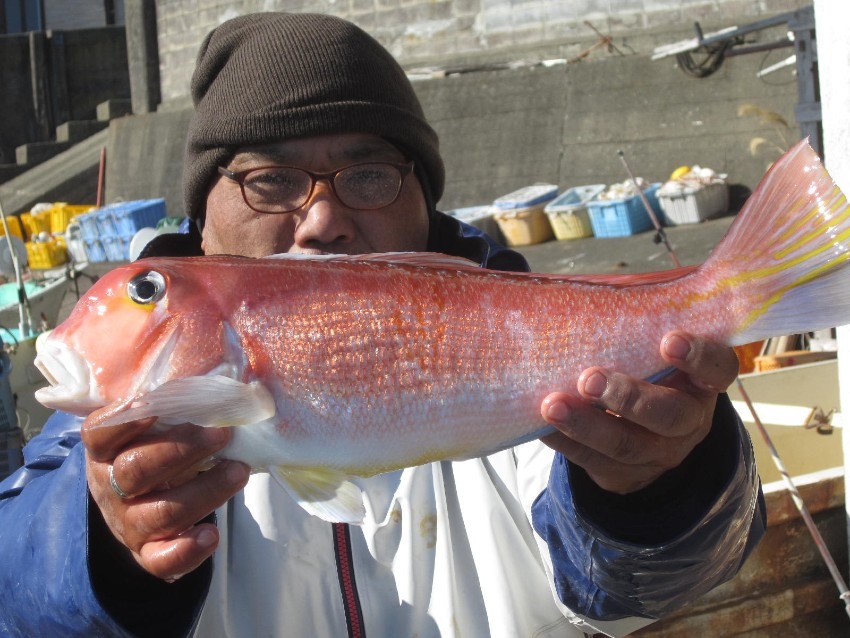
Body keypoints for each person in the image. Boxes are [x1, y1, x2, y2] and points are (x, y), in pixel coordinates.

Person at [0, 12, 765, 638]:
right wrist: (108, 544)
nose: (324, 219)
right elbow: (17, 591)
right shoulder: (123, 419)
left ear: (421, 202)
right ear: (204, 217)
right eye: (270, 180)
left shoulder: (535, 355)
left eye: (368, 174)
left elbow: (658, 585)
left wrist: (661, 486)